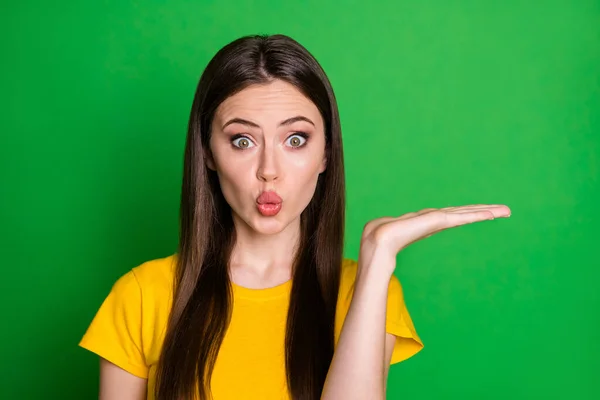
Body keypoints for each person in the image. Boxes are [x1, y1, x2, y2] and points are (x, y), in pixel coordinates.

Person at [79, 34, 511, 400]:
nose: (270, 169)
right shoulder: (141, 297)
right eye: (243, 140)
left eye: (296, 139)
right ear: (208, 153)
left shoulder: (363, 293)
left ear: (326, 154)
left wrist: (378, 258)